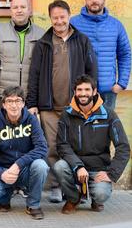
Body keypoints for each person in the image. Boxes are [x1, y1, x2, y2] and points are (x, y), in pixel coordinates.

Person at [26, 0, 97, 203]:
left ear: (69, 16)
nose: (59, 21)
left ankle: (75, 189)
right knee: (52, 147)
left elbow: (92, 71)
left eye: (62, 17)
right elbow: (34, 75)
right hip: (49, 107)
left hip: (76, 108)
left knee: (77, 148)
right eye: (55, 17)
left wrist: (91, 99)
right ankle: (56, 187)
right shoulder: (43, 43)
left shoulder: (82, 41)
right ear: (51, 19)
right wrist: (32, 103)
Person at [54, 74, 130, 214]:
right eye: (79, 90)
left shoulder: (108, 114)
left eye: (87, 90)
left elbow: (123, 147)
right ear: (75, 92)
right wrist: (78, 166)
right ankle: (73, 198)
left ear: (94, 92)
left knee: (101, 194)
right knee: (59, 166)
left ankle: (96, 199)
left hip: (99, 168)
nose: (83, 93)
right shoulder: (67, 114)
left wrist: (111, 174)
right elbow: (62, 145)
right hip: (75, 167)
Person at [0, 86, 48, 220]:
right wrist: (1, 173)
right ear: (4, 104)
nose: (14, 105)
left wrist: (18, 164)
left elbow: (42, 147)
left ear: (23, 104)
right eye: (10, 101)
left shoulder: (31, 120)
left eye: (18, 101)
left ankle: (33, 205)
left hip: (24, 169)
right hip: (4, 170)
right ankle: (5, 198)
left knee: (41, 166)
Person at [71, 0, 131, 109]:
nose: (94, 1)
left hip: (107, 91)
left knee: (105, 127)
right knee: (81, 127)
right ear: (85, 0)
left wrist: (121, 83)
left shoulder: (116, 25)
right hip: (80, 91)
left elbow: (125, 54)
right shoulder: (73, 23)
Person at [0, 0, 44, 108]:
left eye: (23, 7)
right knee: (3, 126)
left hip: (29, 97)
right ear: (11, 11)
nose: (19, 10)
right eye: (15, 7)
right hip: (4, 95)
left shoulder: (41, 34)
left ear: (29, 10)